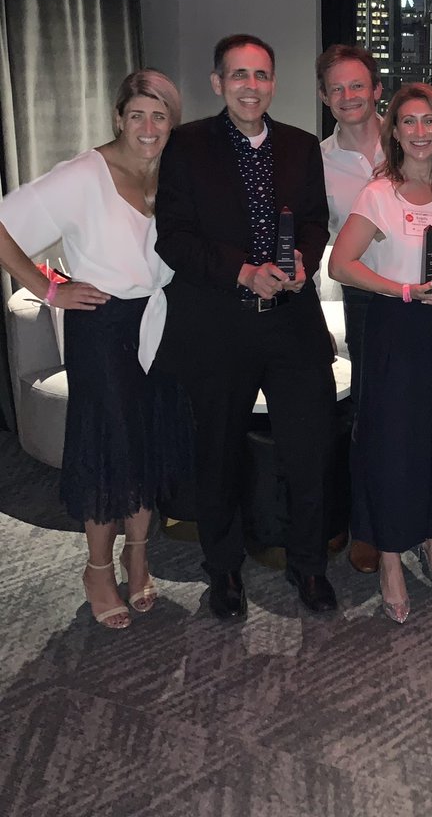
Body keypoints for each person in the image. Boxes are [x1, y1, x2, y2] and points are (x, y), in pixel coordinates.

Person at [0, 70, 191, 629]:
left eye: (160, 116)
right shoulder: (86, 173)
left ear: (172, 124)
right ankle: (98, 569)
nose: (148, 127)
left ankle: (138, 557)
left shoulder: (173, 173)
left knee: (148, 441)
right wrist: (49, 288)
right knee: (109, 448)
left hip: (160, 321)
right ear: (118, 118)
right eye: (137, 115)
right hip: (103, 325)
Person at [155, 35, 337, 620]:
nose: (251, 86)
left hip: (292, 325)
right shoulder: (186, 145)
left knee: (308, 453)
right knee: (219, 455)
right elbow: (173, 238)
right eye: (239, 75)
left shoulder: (301, 146)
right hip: (219, 327)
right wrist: (243, 272)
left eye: (261, 75)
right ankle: (224, 571)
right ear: (218, 83)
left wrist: (304, 260)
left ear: (273, 83)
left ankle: (308, 565)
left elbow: (314, 221)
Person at [329, 83, 432, 624]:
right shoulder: (379, 194)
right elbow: (341, 264)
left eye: (429, 121)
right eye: (409, 122)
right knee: (394, 445)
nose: (420, 132)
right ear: (394, 131)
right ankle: (391, 557)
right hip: (397, 326)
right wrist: (401, 290)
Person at [317, 43, 384, 575]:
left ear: (376, 89)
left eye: (357, 85)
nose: (347, 96)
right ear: (324, 97)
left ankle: (417, 515)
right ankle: (365, 524)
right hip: (365, 297)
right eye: (336, 88)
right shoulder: (317, 160)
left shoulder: (413, 138)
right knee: (368, 412)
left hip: (423, 295)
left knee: (418, 410)